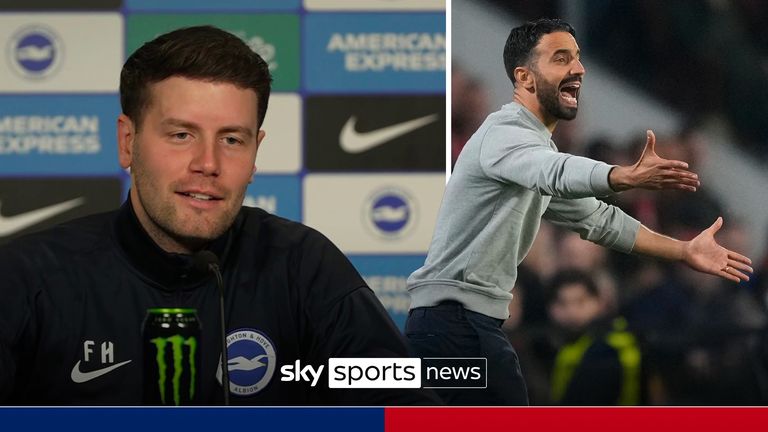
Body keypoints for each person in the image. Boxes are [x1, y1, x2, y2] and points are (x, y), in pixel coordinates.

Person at [0, 26, 437, 405]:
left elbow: (410, 412)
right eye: (181, 134)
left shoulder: (305, 267)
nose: (207, 163)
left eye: (231, 140)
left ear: (255, 153)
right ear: (127, 142)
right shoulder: (29, 279)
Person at [405, 18, 753, 405]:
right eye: (560, 58)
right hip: (454, 327)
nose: (578, 69)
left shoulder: (530, 150)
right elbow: (555, 172)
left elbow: (598, 219)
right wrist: (620, 175)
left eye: (578, 58)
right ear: (525, 77)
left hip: (459, 327)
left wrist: (682, 251)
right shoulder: (504, 134)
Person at [546, 269, 641, 405]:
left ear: (598, 302)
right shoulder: (548, 346)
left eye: (581, 302)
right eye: (562, 303)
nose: (572, 312)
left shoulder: (607, 349)